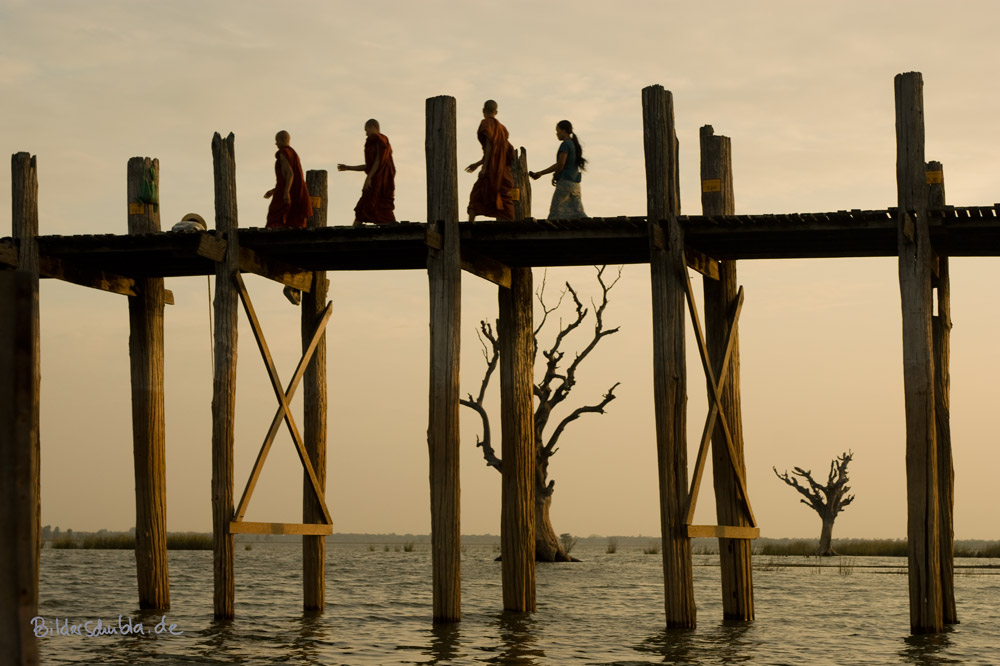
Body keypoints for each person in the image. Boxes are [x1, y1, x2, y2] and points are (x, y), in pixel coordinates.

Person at [263, 130, 313, 305]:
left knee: (274, 222)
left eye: (276, 140)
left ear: (282, 140)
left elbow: (290, 175)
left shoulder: (283, 153)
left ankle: (282, 268)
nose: (275, 144)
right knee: (291, 231)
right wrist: (275, 190)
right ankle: (292, 279)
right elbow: (288, 178)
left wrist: (284, 194)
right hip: (296, 195)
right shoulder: (294, 154)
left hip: (289, 196)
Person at [337, 119, 396, 226]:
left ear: (372, 127)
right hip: (376, 180)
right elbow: (369, 166)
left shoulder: (380, 140)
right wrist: (348, 167)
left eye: (366, 130)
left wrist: (368, 178)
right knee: (364, 208)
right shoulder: (375, 141)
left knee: (376, 208)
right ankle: (353, 233)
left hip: (379, 182)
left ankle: (392, 231)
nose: (366, 133)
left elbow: (378, 161)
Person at [465, 99, 515, 221]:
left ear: (483, 110)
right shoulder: (503, 129)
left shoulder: (486, 124)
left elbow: (489, 147)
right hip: (501, 170)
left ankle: (470, 223)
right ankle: (509, 222)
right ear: (496, 112)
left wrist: (484, 167)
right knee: (502, 196)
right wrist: (477, 164)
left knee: (476, 194)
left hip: (491, 169)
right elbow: (499, 151)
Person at [529, 120, 587, 220]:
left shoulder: (565, 145)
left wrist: (555, 175)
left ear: (564, 131)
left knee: (555, 213)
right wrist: (542, 173)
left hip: (565, 183)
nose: (557, 134)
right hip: (575, 185)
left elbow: (560, 164)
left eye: (558, 131)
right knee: (578, 213)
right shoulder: (574, 145)